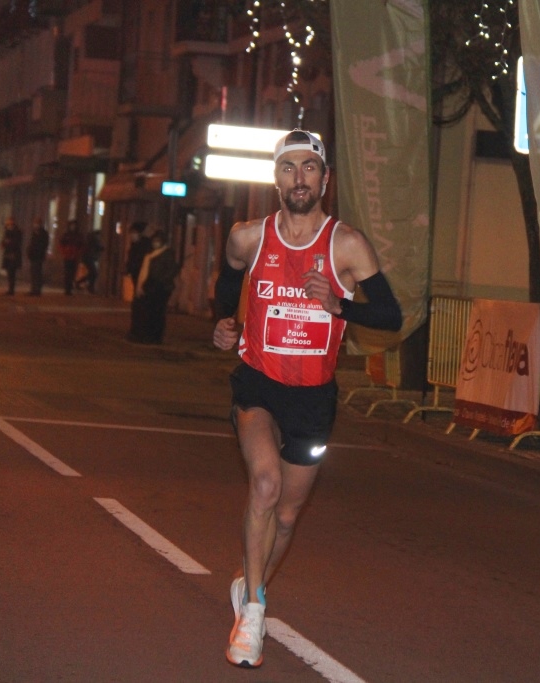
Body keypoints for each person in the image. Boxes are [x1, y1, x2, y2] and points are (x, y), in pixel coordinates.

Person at [212, 129, 402, 668]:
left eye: (310, 169)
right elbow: (227, 286)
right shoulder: (249, 238)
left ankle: (250, 584)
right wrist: (222, 324)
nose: (300, 178)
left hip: (314, 398)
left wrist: (341, 307)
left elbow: (391, 315)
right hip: (258, 383)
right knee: (265, 485)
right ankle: (253, 615)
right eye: (289, 168)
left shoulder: (347, 245)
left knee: (289, 515)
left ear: (325, 179)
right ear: (276, 177)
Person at [131, 230, 179, 344]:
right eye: (154, 241)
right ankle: (145, 334)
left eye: (157, 241)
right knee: (148, 312)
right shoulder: (149, 255)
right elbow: (144, 271)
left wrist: (160, 281)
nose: (155, 243)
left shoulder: (167, 254)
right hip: (149, 286)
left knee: (158, 313)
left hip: (161, 288)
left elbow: (172, 270)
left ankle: (155, 336)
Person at [126, 222, 153, 338]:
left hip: (143, 279)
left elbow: (139, 262)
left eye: (134, 233)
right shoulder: (135, 245)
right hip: (136, 277)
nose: (132, 236)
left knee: (140, 304)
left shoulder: (144, 245)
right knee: (137, 304)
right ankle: (136, 330)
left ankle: (140, 331)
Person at [75, 228, 104, 293]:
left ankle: (88, 286)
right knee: (94, 273)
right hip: (89, 257)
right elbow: (99, 247)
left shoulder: (90, 238)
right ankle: (85, 284)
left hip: (88, 257)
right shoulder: (94, 239)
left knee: (93, 273)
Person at [58, 220, 83, 295]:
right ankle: (67, 288)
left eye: (74, 225)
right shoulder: (66, 235)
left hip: (74, 257)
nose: (73, 227)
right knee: (67, 273)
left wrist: (77, 253)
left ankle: (70, 287)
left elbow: (82, 246)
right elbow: (61, 245)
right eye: (72, 225)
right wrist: (64, 252)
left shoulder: (78, 236)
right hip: (67, 256)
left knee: (72, 273)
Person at [0, 217, 23, 295]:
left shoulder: (17, 231)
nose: (7, 224)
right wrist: (3, 243)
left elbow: (17, 242)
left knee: (12, 272)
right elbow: (4, 240)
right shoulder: (7, 231)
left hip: (14, 254)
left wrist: (8, 242)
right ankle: (10, 288)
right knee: (9, 272)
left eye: (9, 222)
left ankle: (11, 289)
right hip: (8, 253)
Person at [26, 219, 50, 296]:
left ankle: (37, 290)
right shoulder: (34, 233)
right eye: (35, 223)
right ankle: (33, 289)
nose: (35, 225)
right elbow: (31, 243)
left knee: (38, 273)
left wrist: (38, 251)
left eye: (37, 223)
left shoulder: (43, 233)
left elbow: (44, 245)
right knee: (33, 273)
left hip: (39, 256)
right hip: (33, 256)